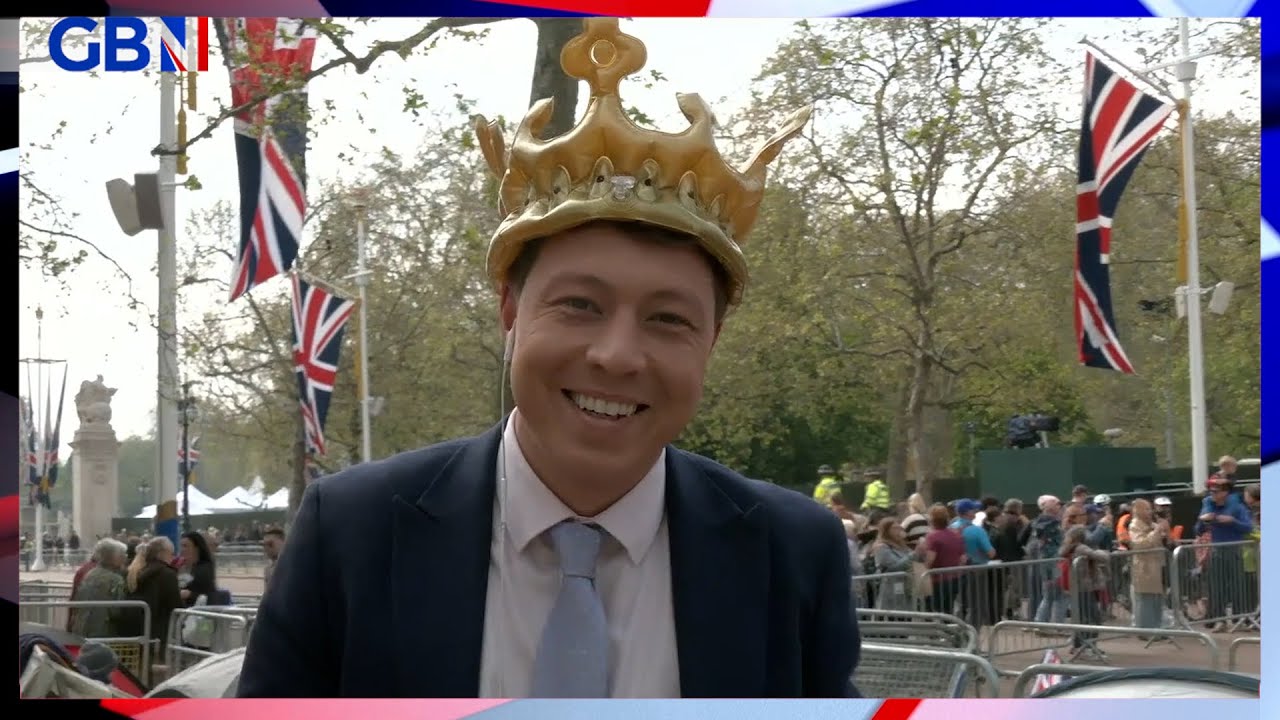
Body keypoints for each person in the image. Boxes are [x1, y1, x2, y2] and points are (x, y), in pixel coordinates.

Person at [238, 19, 855, 699]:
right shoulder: (351, 536)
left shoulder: (793, 554)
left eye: (668, 319)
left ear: (713, 338)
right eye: (580, 306)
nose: (618, 356)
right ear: (509, 310)